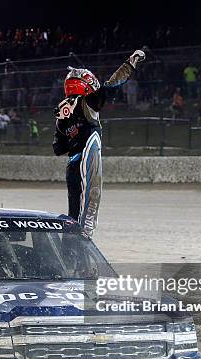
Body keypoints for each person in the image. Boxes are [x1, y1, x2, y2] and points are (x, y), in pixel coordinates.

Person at [52, 49, 146, 237]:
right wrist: (130, 63)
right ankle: (78, 255)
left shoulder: (62, 112)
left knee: (74, 214)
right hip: (87, 163)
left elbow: (58, 148)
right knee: (86, 217)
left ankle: (71, 255)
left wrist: (66, 126)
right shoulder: (89, 102)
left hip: (72, 166)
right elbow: (112, 85)